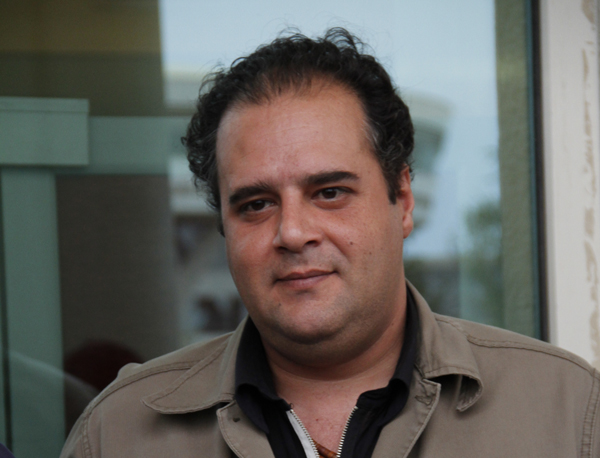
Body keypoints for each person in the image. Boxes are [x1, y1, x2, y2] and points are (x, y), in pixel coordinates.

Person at [61, 28, 600, 458]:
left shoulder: (566, 412)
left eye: (330, 192)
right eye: (256, 204)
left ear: (402, 200)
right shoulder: (118, 434)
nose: (293, 232)